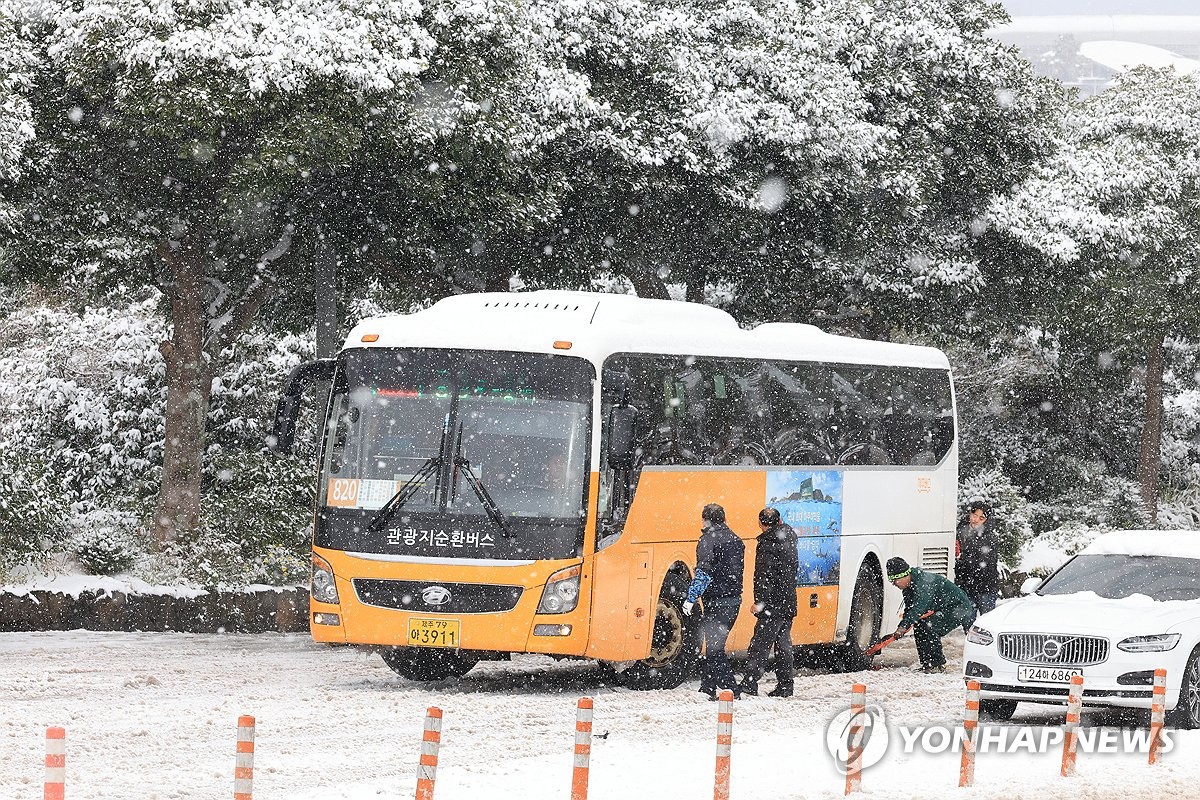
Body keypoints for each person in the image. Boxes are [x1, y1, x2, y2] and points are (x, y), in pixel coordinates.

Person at [682, 503, 746, 700]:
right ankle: (707, 688)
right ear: (724, 519)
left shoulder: (708, 540)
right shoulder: (736, 539)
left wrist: (690, 599)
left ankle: (731, 691)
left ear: (705, 520)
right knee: (712, 647)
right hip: (733, 601)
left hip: (717, 602)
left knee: (715, 650)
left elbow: (704, 573)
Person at [737, 507, 799, 698]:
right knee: (783, 646)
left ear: (761, 524)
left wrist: (760, 602)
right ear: (780, 521)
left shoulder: (767, 544)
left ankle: (750, 683)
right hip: (788, 601)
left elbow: (764, 577)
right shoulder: (790, 537)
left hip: (773, 604)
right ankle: (786, 685)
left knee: (760, 645)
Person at [886, 556, 976, 673]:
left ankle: (937, 665)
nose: (894, 584)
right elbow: (909, 609)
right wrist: (901, 627)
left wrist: (903, 627)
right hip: (945, 608)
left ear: (904, 575)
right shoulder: (908, 587)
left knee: (930, 626)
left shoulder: (922, 582)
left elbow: (919, 608)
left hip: (958, 608)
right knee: (919, 626)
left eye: (895, 580)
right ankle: (927, 664)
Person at [955, 502, 999, 614]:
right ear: (970, 514)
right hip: (965, 585)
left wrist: (962, 559)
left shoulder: (990, 537)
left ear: (986, 520)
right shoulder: (960, 531)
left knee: (987, 621)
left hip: (985, 586)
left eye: (981, 518)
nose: (976, 520)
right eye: (974, 515)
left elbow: (987, 562)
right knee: (968, 620)